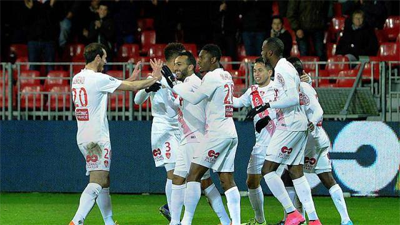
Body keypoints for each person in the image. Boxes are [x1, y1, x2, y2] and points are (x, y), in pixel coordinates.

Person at [69, 43, 163, 225]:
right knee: (98, 180)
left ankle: (109, 221)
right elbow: (131, 87)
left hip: (83, 135)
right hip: (97, 137)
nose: (105, 61)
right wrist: (153, 78)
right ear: (97, 57)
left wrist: (130, 78)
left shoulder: (77, 78)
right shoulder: (98, 78)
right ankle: (77, 221)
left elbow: (102, 91)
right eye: (103, 57)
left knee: (104, 179)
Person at [245, 37, 321, 225]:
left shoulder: (281, 68)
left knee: (267, 170)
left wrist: (266, 105)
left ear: (270, 52)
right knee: (296, 172)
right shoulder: (287, 67)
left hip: (289, 124)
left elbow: (293, 98)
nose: (261, 52)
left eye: (263, 49)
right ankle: (313, 219)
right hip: (298, 123)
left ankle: (292, 213)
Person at [162, 44, 241, 225]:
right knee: (224, 179)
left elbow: (195, 98)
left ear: (213, 59)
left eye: (202, 58)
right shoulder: (226, 75)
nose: (199, 62)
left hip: (209, 134)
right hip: (227, 130)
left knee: (194, 176)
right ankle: (232, 222)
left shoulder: (208, 78)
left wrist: (172, 84)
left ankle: (186, 221)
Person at [280, 57, 354, 225]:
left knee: (292, 175)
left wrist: (311, 123)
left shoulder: (301, 87)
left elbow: (318, 110)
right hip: (319, 137)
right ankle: (345, 219)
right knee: (327, 178)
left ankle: (302, 218)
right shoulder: (306, 86)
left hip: (308, 138)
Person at [134, 43, 185, 222]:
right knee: (173, 171)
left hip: (179, 128)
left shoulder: (179, 78)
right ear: (173, 60)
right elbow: (137, 100)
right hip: (163, 128)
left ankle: (170, 208)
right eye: (179, 62)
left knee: (182, 172)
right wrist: (148, 88)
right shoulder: (157, 76)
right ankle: (174, 215)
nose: (181, 65)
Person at [232, 58, 278, 225]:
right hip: (261, 144)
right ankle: (260, 220)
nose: (256, 74)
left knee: (290, 181)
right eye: (255, 71)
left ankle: (296, 217)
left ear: (270, 72)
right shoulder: (252, 91)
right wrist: (222, 94)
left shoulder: (278, 88)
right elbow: (237, 103)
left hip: (280, 142)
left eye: (260, 70)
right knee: (251, 181)